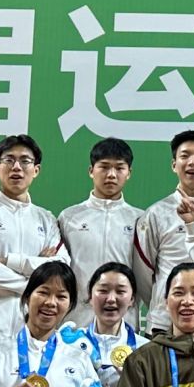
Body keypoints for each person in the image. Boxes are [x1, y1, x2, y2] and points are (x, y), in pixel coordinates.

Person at [0, 133, 65, 364]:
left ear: (36, 170)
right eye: (9, 160)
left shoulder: (46, 219)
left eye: (25, 161)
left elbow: (61, 266)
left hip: (35, 334)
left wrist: (9, 261)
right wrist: (36, 285)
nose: (17, 167)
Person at [59, 136, 145, 326]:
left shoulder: (141, 219)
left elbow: (146, 276)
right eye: (104, 167)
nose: (111, 174)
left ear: (129, 173)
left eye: (119, 168)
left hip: (124, 320)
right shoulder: (69, 217)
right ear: (91, 170)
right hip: (76, 320)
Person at [133, 129, 194, 315]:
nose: (192, 162)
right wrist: (162, 302)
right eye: (185, 156)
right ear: (174, 165)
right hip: (165, 320)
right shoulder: (156, 214)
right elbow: (142, 274)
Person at [83, 259, 147, 387]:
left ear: (132, 299)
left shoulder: (145, 350)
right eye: (103, 291)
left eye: (120, 291)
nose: (111, 299)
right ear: (90, 297)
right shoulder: (74, 345)